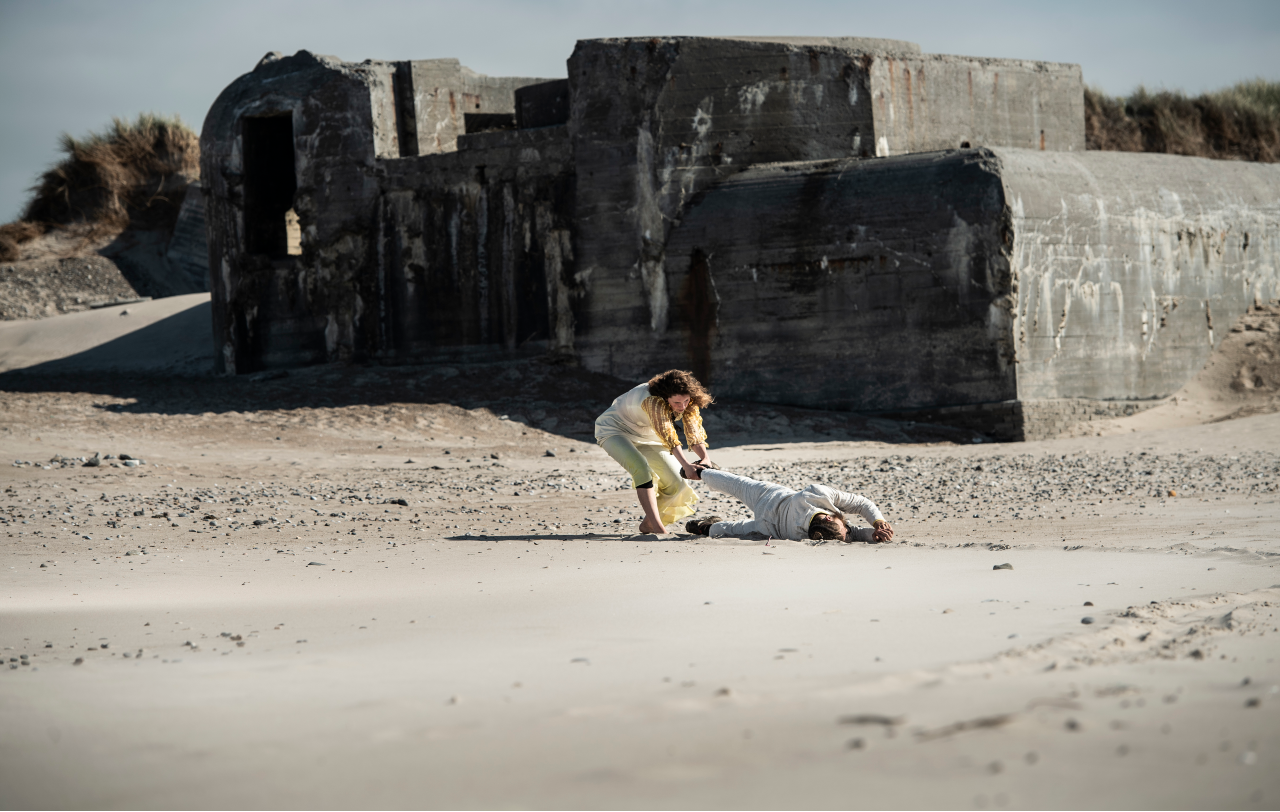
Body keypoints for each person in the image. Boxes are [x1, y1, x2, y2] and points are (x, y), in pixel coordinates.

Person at [595, 369, 715, 535]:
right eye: (677, 403)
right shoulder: (652, 401)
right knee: (642, 469)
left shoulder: (687, 401)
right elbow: (668, 435)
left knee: (677, 485)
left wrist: (705, 458)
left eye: (686, 401)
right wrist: (687, 465)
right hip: (615, 430)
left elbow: (694, 432)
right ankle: (659, 529)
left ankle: (648, 525)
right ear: (666, 397)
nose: (682, 406)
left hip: (648, 435)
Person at [683, 467, 894, 543]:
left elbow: (858, 507)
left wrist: (877, 524)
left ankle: (700, 472)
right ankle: (707, 527)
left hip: (771, 496)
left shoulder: (815, 494)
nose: (847, 532)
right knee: (733, 530)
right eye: (844, 532)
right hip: (767, 525)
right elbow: (855, 524)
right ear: (828, 518)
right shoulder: (801, 537)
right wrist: (875, 527)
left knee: (737, 484)